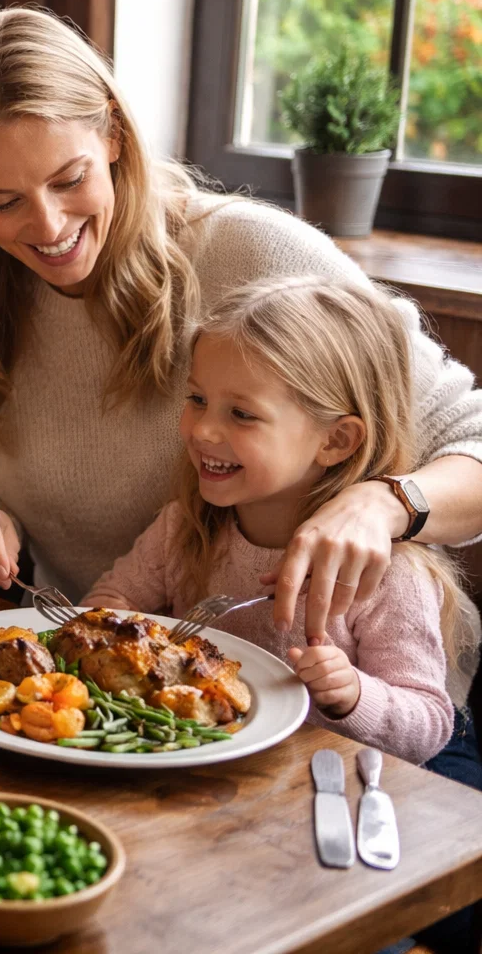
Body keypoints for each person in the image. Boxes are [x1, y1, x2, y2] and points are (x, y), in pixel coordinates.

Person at [0, 7, 482, 646]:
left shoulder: (257, 255)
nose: (50, 227)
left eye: (70, 179)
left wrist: (386, 504)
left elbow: (471, 438)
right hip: (126, 679)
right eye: (4, 203)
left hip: (364, 698)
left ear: (113, 133)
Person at [84, 277, 479, 774]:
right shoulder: (186, 527)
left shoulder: (390, 574)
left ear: (336, 440)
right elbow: (110, 600)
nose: (203, 430)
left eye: (242, 414)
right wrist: (111, 624)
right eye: (198, 399)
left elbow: (427, 726)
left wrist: (353, 695)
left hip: (323, 785)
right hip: (200, 772)